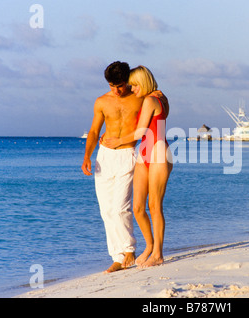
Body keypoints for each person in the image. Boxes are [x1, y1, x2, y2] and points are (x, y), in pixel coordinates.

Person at [101, 65, 172, 268]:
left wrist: (117, 142)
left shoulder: (151, 100)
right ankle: (149, 246)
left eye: (133, 85)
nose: (131, 89)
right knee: (138, 207)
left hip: (158, 153)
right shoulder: (156, 97)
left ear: (142, 83)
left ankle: (158, 253)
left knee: (155, 206)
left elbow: (141, 131)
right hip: (144, 154)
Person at [81, 61, 143, 273]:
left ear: (128, 81)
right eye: (112, 86)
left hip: (127, 154)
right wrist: (87, 156)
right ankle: (118, 256)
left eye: (120, 86)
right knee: (106, 210)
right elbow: (93, 131)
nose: (116, 91)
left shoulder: (139, 98)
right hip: (104, 157)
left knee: (120, 207)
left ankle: (129, 249)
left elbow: (147, 125)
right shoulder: (101, 102)